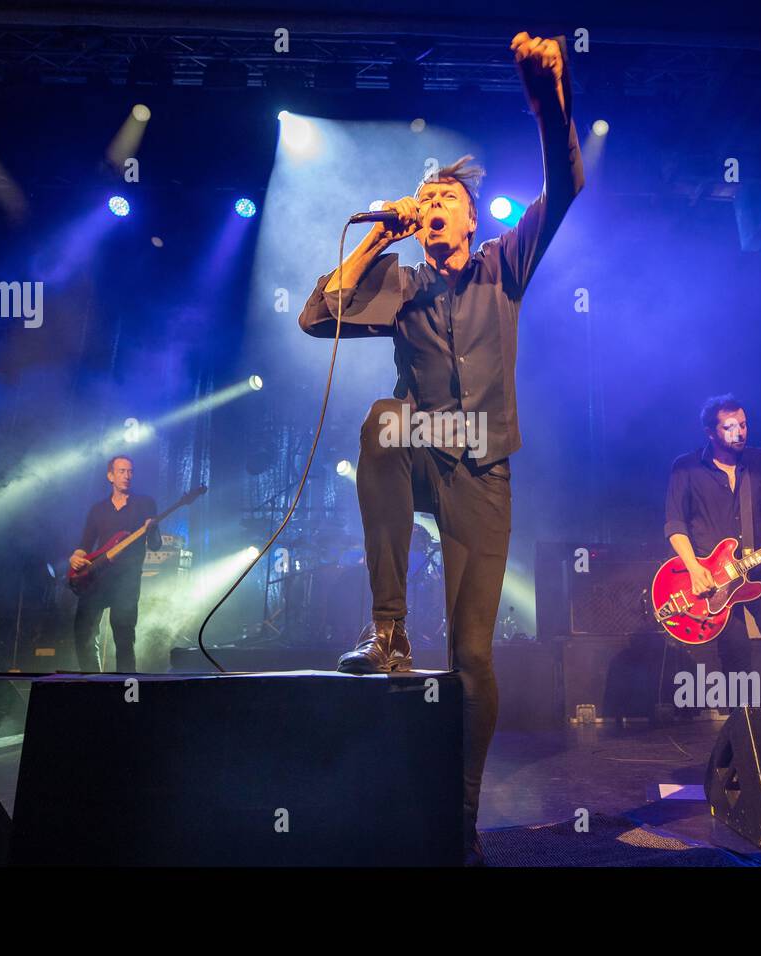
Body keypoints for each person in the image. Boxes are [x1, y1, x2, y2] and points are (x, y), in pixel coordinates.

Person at [295, 31, 584, 865]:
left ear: (466, 212)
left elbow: (565, 184)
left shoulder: (505, 266)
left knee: (472, 655)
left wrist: (547, 103)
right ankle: (387, 632)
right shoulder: (405, 283)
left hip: (483, 471)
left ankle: (460, 813)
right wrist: (378, 236)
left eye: (438, 202)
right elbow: (318, 315)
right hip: (426, 445)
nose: (428, 212)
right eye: (419, 204)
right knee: (382, 422)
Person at [663, 395, 761, 700]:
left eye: (743, 425)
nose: (740, 432)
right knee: (735, 654)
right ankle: (744, 730)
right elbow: (675, 524)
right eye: (730, 427)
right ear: (711, 432)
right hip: (712, 579)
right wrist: (694, 569)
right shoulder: (686, 468)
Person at [69, 454, 162, 672]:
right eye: (122, 471)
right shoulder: (98, 509)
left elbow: (155, 545)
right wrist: (76, 557)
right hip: (97, 577)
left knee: (123, 635)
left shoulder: (145, 503)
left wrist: (154, 528)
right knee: (83, 631)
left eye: (130, 471)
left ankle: (125, 688)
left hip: (127, 580)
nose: (127, 475)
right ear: (110, 476)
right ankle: (91, 682)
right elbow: (85, 543)